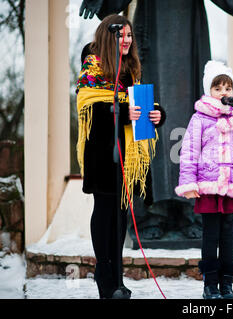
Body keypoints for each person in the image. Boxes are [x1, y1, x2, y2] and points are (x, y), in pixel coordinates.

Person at [79, 0, 233, 244]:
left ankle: (190, 212)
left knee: (192, 117)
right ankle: (151, 214)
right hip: (152, 34)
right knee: (150, 115)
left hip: (189, 34)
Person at [76, 14, 165, 299]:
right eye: (121, 35)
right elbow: (89, 108)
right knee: (104, 214)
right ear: (107, 35)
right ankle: (105, 278)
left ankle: (118, 279)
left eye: (129, 36)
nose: (126, 40)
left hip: (127, 155)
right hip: (102, 153)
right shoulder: (92, 65)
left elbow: (138, 103)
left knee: (121, 217)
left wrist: (157, 114)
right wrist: (121, 112)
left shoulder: (131, 68)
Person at [175, 60, 233, 299]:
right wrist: (189, 183)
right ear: (209, 91)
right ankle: (210, 284)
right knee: (210, 236)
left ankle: (227, 283)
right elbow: (189, 152)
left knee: (228, 235)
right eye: (218, 88)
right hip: (209, 187)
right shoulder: (200, 118)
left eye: (228, 88)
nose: (224, 92)